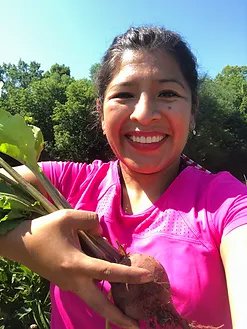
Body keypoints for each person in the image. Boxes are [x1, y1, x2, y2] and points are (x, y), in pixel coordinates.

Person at [0, 26, 247, 329]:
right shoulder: (65, 183)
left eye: (167, 93)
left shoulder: (226, 203)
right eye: (124, 94)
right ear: (101, 113)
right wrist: (17, 243)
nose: (144, 114)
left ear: (193, 111)